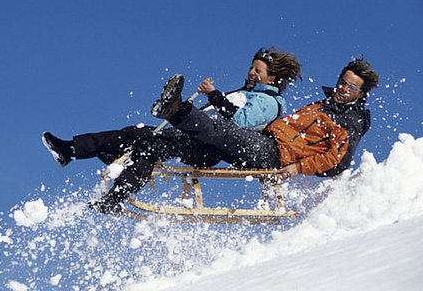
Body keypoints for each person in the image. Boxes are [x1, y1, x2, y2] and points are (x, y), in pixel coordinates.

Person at [83, 57, 377, 214]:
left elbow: (338, 160)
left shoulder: (350, 119)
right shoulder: (321, 106)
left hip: (273, 155)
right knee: (168, 140)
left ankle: (177, 110)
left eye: (350, 87)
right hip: (265, 143)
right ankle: (115, 192)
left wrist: (296, 168)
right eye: (342, 82)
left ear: (360, 94)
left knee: (224, 132)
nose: (342, 89)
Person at [42, 48, 302, 212]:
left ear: (272, 79)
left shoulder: (269, 102)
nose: (252, 72)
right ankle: (72, 149)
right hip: (192, 134)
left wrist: (215, 97)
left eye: (259, 70)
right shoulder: (243, 93)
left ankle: (117, 196)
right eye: (252, 67)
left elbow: (240, 124)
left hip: (209, 149)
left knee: (152, 145)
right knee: (135, 133)